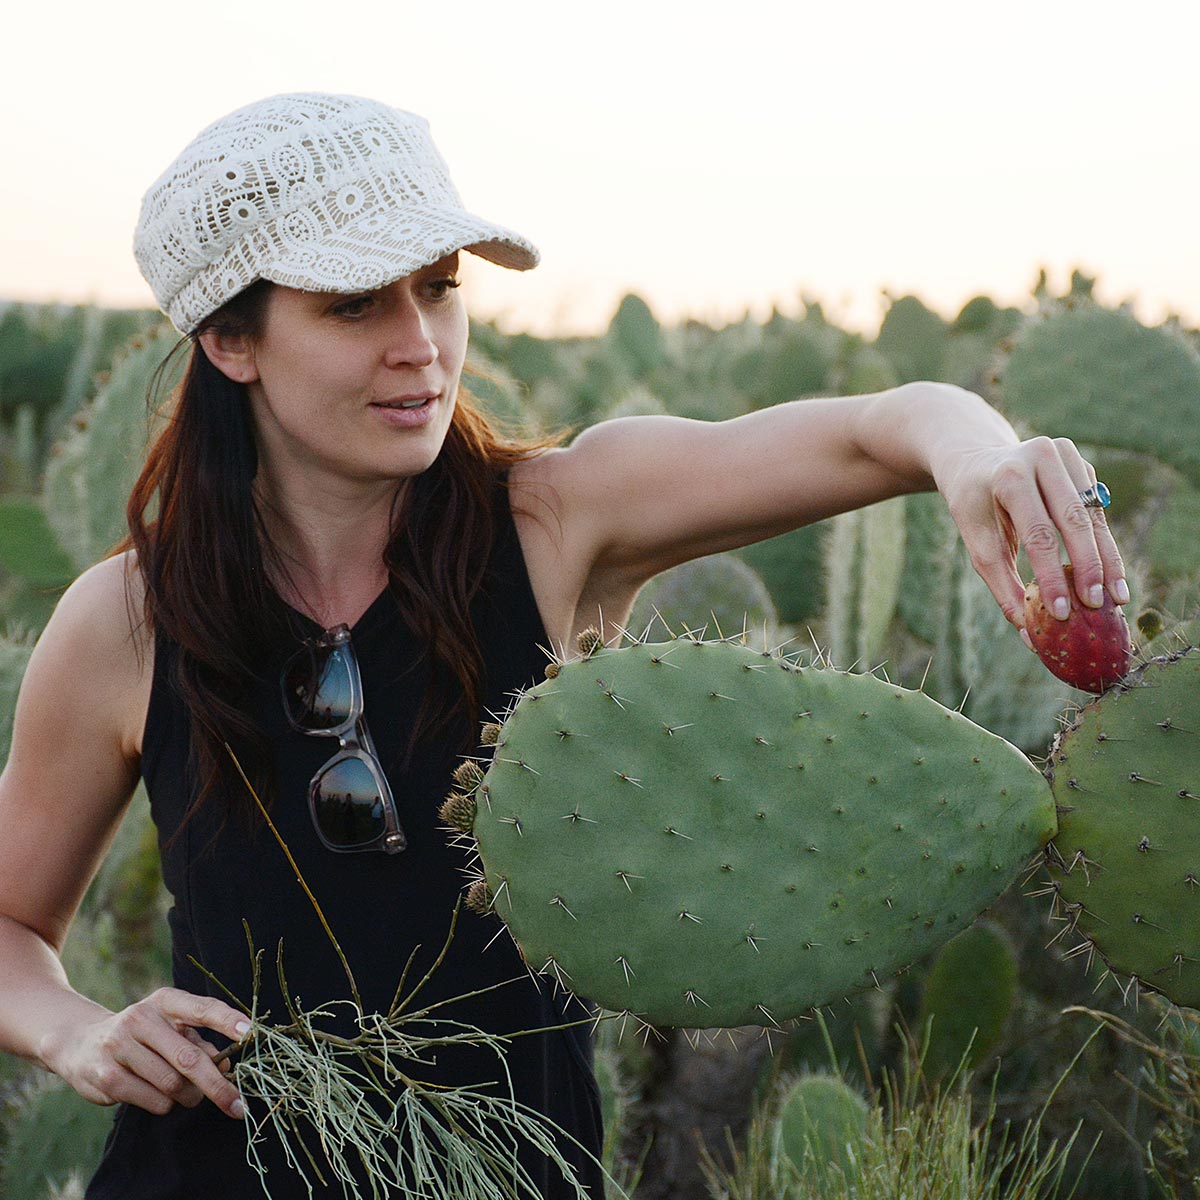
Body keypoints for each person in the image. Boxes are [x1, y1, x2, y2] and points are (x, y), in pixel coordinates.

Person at [0, 92, 1127, 1199]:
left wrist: (980, 457)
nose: (421, 347)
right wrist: (77, 1034)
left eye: (440, 291)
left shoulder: (554, 524)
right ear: (230, 337)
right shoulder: (126, 623)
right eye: (354, 307)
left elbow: (880, 426)